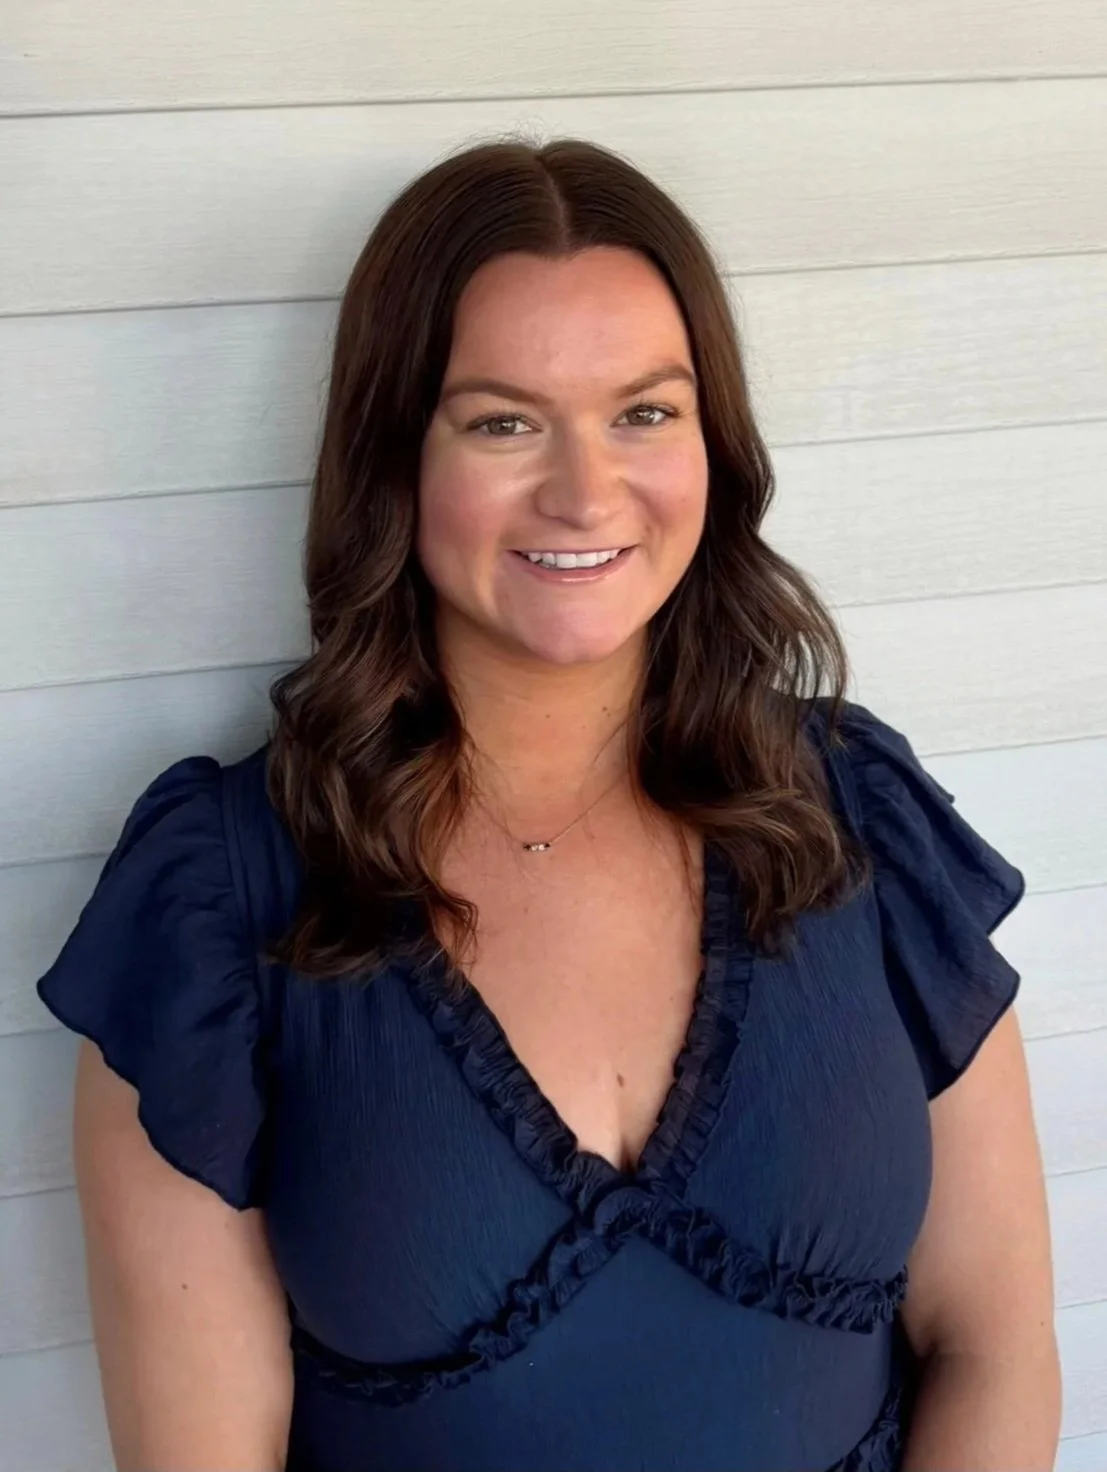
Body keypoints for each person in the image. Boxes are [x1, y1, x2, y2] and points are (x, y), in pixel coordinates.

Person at [36, 136, 1061, 1472]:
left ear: (714, 441)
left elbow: (996, 1347)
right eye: (502, 420)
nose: (586, 492)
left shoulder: (856, 818)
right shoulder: (222, 898)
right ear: (393, 453)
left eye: (645, 411)